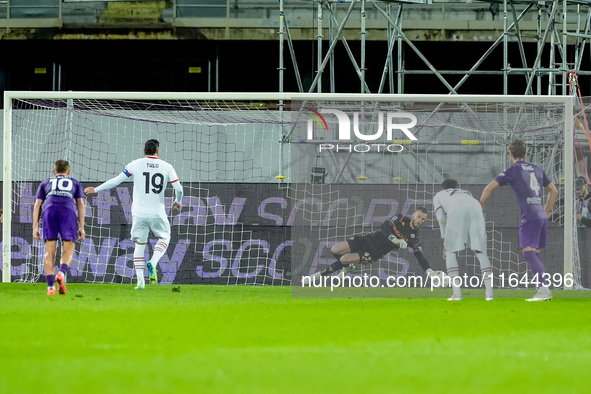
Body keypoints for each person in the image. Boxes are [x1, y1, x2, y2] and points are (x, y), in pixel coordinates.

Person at [84, 139, 183, 290]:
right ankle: (154, 262)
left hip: (139, 213)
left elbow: (116, 181)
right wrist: (177, 201)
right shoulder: (167, 166)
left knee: (139, 245)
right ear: (158, 151)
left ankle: (140, 283)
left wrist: (95, 189)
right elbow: (179, 188)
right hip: (157, 212)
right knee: (165, 237)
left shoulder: (135, 164)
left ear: (144, 150)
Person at [480, 139, 558, 301]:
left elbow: (487, 189)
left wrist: (480, 209)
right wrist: (546, 210)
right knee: (533, 253)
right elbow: (554, 191)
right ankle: (543, 289)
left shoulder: (513, 170)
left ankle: (543, 290)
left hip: (529, 215)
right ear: (526, 153)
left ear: (510, 154)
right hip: (541, 215)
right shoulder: (537, 169)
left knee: (528, 253)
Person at [306, 207, 442, 283]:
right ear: (413, 215)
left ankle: (318, 276)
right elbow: (384, 225)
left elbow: (420, 256)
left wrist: (429, 271)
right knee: (335, 250)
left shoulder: (414, 238)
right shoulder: (400, 218)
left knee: (344, 259)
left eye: (423, 219)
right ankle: (348, 268)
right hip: (367, 239)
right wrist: (394, 239)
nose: (420, 220)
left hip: (374, 252)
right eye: (418, 217)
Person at [433, 179, 494, 301]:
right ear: (457, 186)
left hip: (455, 208)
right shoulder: (467, 193)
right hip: (476, 207)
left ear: (442, 188)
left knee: (450, 252)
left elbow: (441, 218)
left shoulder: (439, 195)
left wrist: (445, 241)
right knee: (482, 252)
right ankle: (489, 295)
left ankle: (457, 294)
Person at [33, 160, 86, 295]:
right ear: (68, 172)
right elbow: (80, 203)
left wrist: (35, 227)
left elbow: (37, 205)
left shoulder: (45, 182)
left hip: (49, 211)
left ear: (54, 171)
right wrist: (82, 227)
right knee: (68, 249)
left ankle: (50, 287)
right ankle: (61, 273)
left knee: (49, 251)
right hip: (67, 212)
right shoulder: (74, 182)